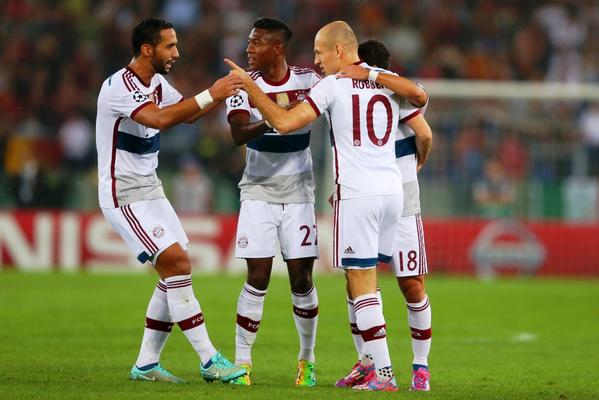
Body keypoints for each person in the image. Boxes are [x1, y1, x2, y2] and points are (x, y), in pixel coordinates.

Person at [225, 21, 428, 392]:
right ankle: (374, 366)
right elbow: (420, 98)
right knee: (369, 284)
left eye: (319, 52)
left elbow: (285, 123)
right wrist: (371, 73)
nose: (315, 60)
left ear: (338, 50)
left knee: (360, 283)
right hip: (393, 192)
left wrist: (251, 86)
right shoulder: (385, 78)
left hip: (358, 194)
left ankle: (383, 375)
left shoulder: (332, 85)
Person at [95, 17, 246, 384]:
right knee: (176, 262)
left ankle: (146, 364)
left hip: (150, 187)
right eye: (170, 46)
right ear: (147, 49)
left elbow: (188, 116)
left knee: (175, 267)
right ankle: (209, 359)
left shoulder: (157, 83)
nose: (177, 53)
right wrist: (214, 91)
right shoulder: (119, 86)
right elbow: (160, 120)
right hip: (123, 192)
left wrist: (229, 93)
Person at [224, 17, 321, 387]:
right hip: (258, 192)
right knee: (258, 277)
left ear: (277, 47)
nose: (249, 49)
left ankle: (306, 361)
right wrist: (279, 118)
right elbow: (237, 134)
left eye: (257, 43)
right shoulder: (243, 85)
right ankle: (242, 364)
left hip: (299, 194)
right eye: (249, 42)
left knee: (302, 278)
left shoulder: (308, 80)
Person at [333, 39, 433, 391]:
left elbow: (425, 132)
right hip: (374, 196)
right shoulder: (348, 100)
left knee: (403, 284)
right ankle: (369, 364)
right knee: (362, 282)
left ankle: (418, 367)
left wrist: (415, 167)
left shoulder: (393, 95)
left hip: (397, 200)